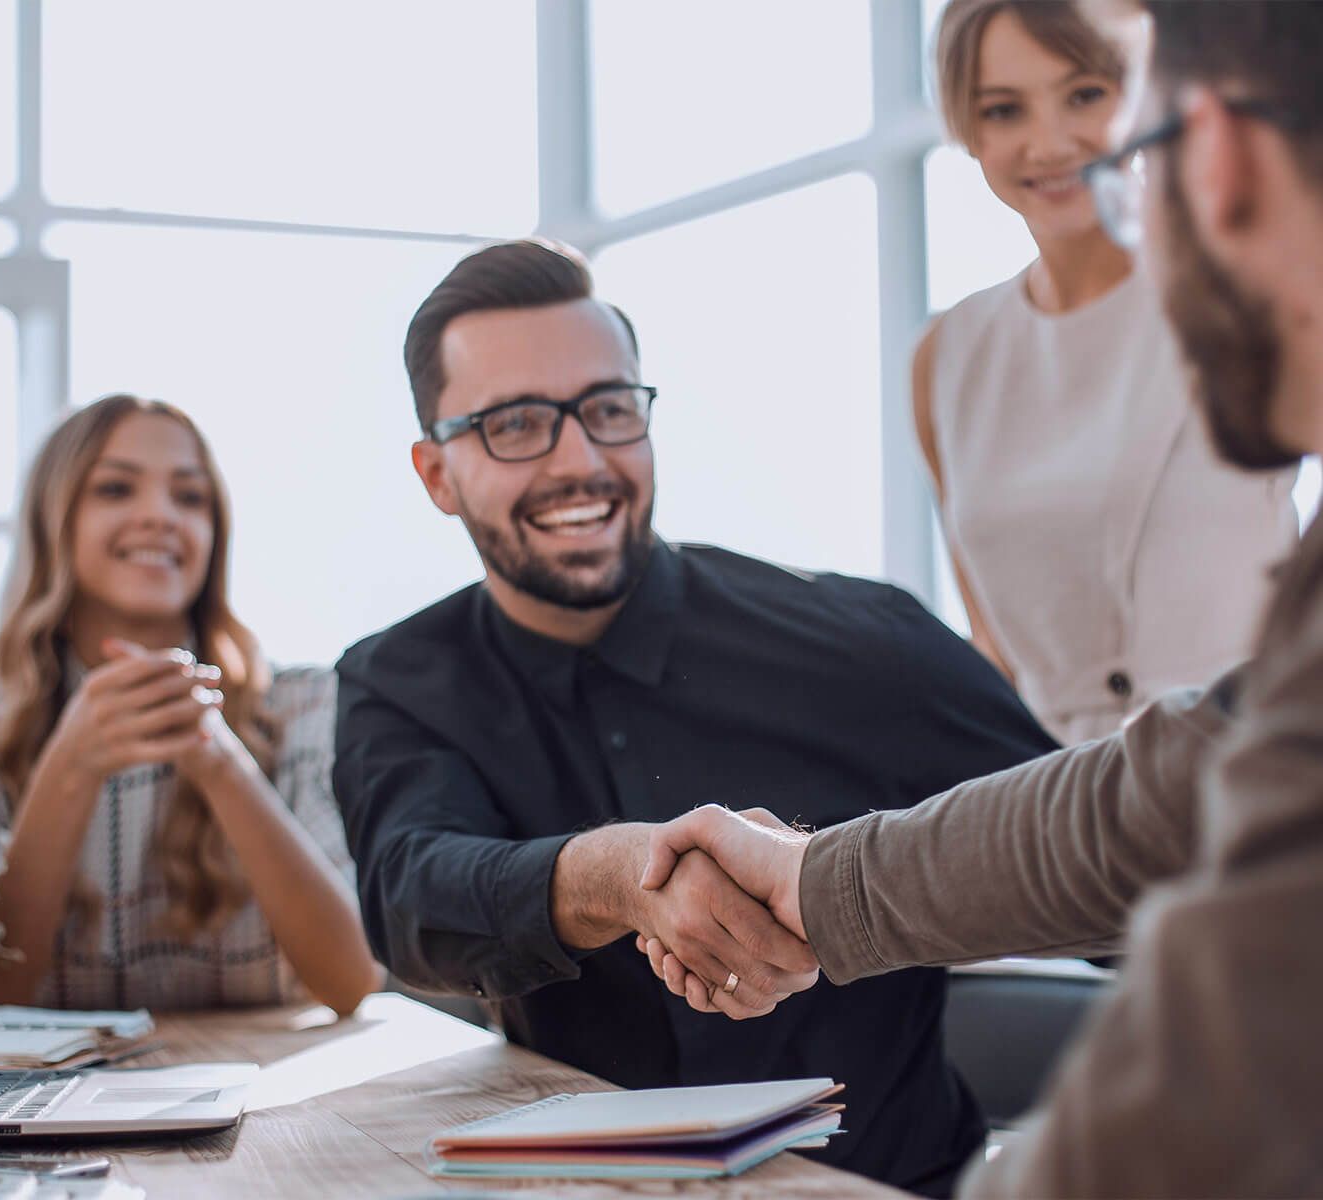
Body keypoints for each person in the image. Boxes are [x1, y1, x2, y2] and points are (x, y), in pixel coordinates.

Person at [638, 3, 1323, 1191]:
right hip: (1064, 831)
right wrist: (819, 882)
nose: (1090, 170)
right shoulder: (953, 356)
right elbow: (1166, 772)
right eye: (1002, 107)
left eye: (1128, 142)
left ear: (1217, 159)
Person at [333, 239, 1059, 1195]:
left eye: (607, 410)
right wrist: (616, 876)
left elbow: (1090, 860)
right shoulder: (399, 679)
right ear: (437, 475)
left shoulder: (868, 641)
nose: (580, 460)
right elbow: (411, 896)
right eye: (515, 424)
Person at [0, 394, 381, 1013]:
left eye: (190, 497)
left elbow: (352, 981)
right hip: (49, 1106)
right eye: (115, 489)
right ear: (51, 519)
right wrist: (71, 766)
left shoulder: (302, 704)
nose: (160, 515)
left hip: (276, 1096)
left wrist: (222, 763)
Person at [916, 0, 1296, 743]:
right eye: (1003, 110)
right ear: (969, 127)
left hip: (1260, 773)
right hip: (1056, 814)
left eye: (1084, 94)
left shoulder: (1239, 279)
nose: (1049, 143)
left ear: (1144, 92)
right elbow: (993, 650)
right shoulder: (948, 357)